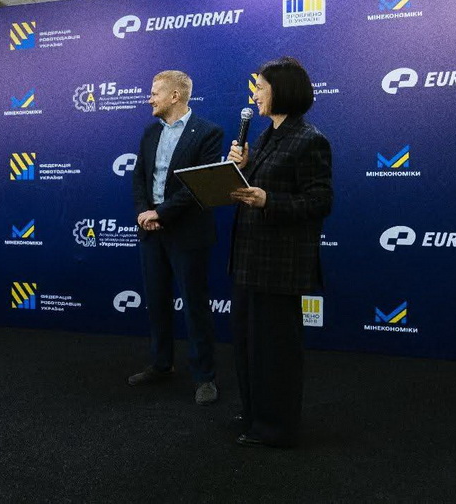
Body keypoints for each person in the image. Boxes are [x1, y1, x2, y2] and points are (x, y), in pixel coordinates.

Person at [227, 56, 333, 448]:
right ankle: (256, 414)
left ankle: (277, 428)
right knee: (249, 347)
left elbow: (320, 201)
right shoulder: (267, 136)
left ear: (282, 91)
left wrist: (268, 199)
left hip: (279, 265)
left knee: (275, 352)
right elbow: (261, 184)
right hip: (249, 261)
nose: (254, 95)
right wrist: (244, 167)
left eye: (261, 88)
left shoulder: (309, 139)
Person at [129, 70, 224, 405]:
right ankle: (161, 364)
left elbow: (198, 186)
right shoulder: (150, 132)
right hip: (151, 231)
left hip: (188, 232)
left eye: (155, 93)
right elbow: (139, 177)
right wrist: (145, 212)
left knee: (195, 306)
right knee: (156, 302)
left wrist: (162, 213)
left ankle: (204, 377)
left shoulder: (209, 133)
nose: (149, 99)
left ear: (175, 96)